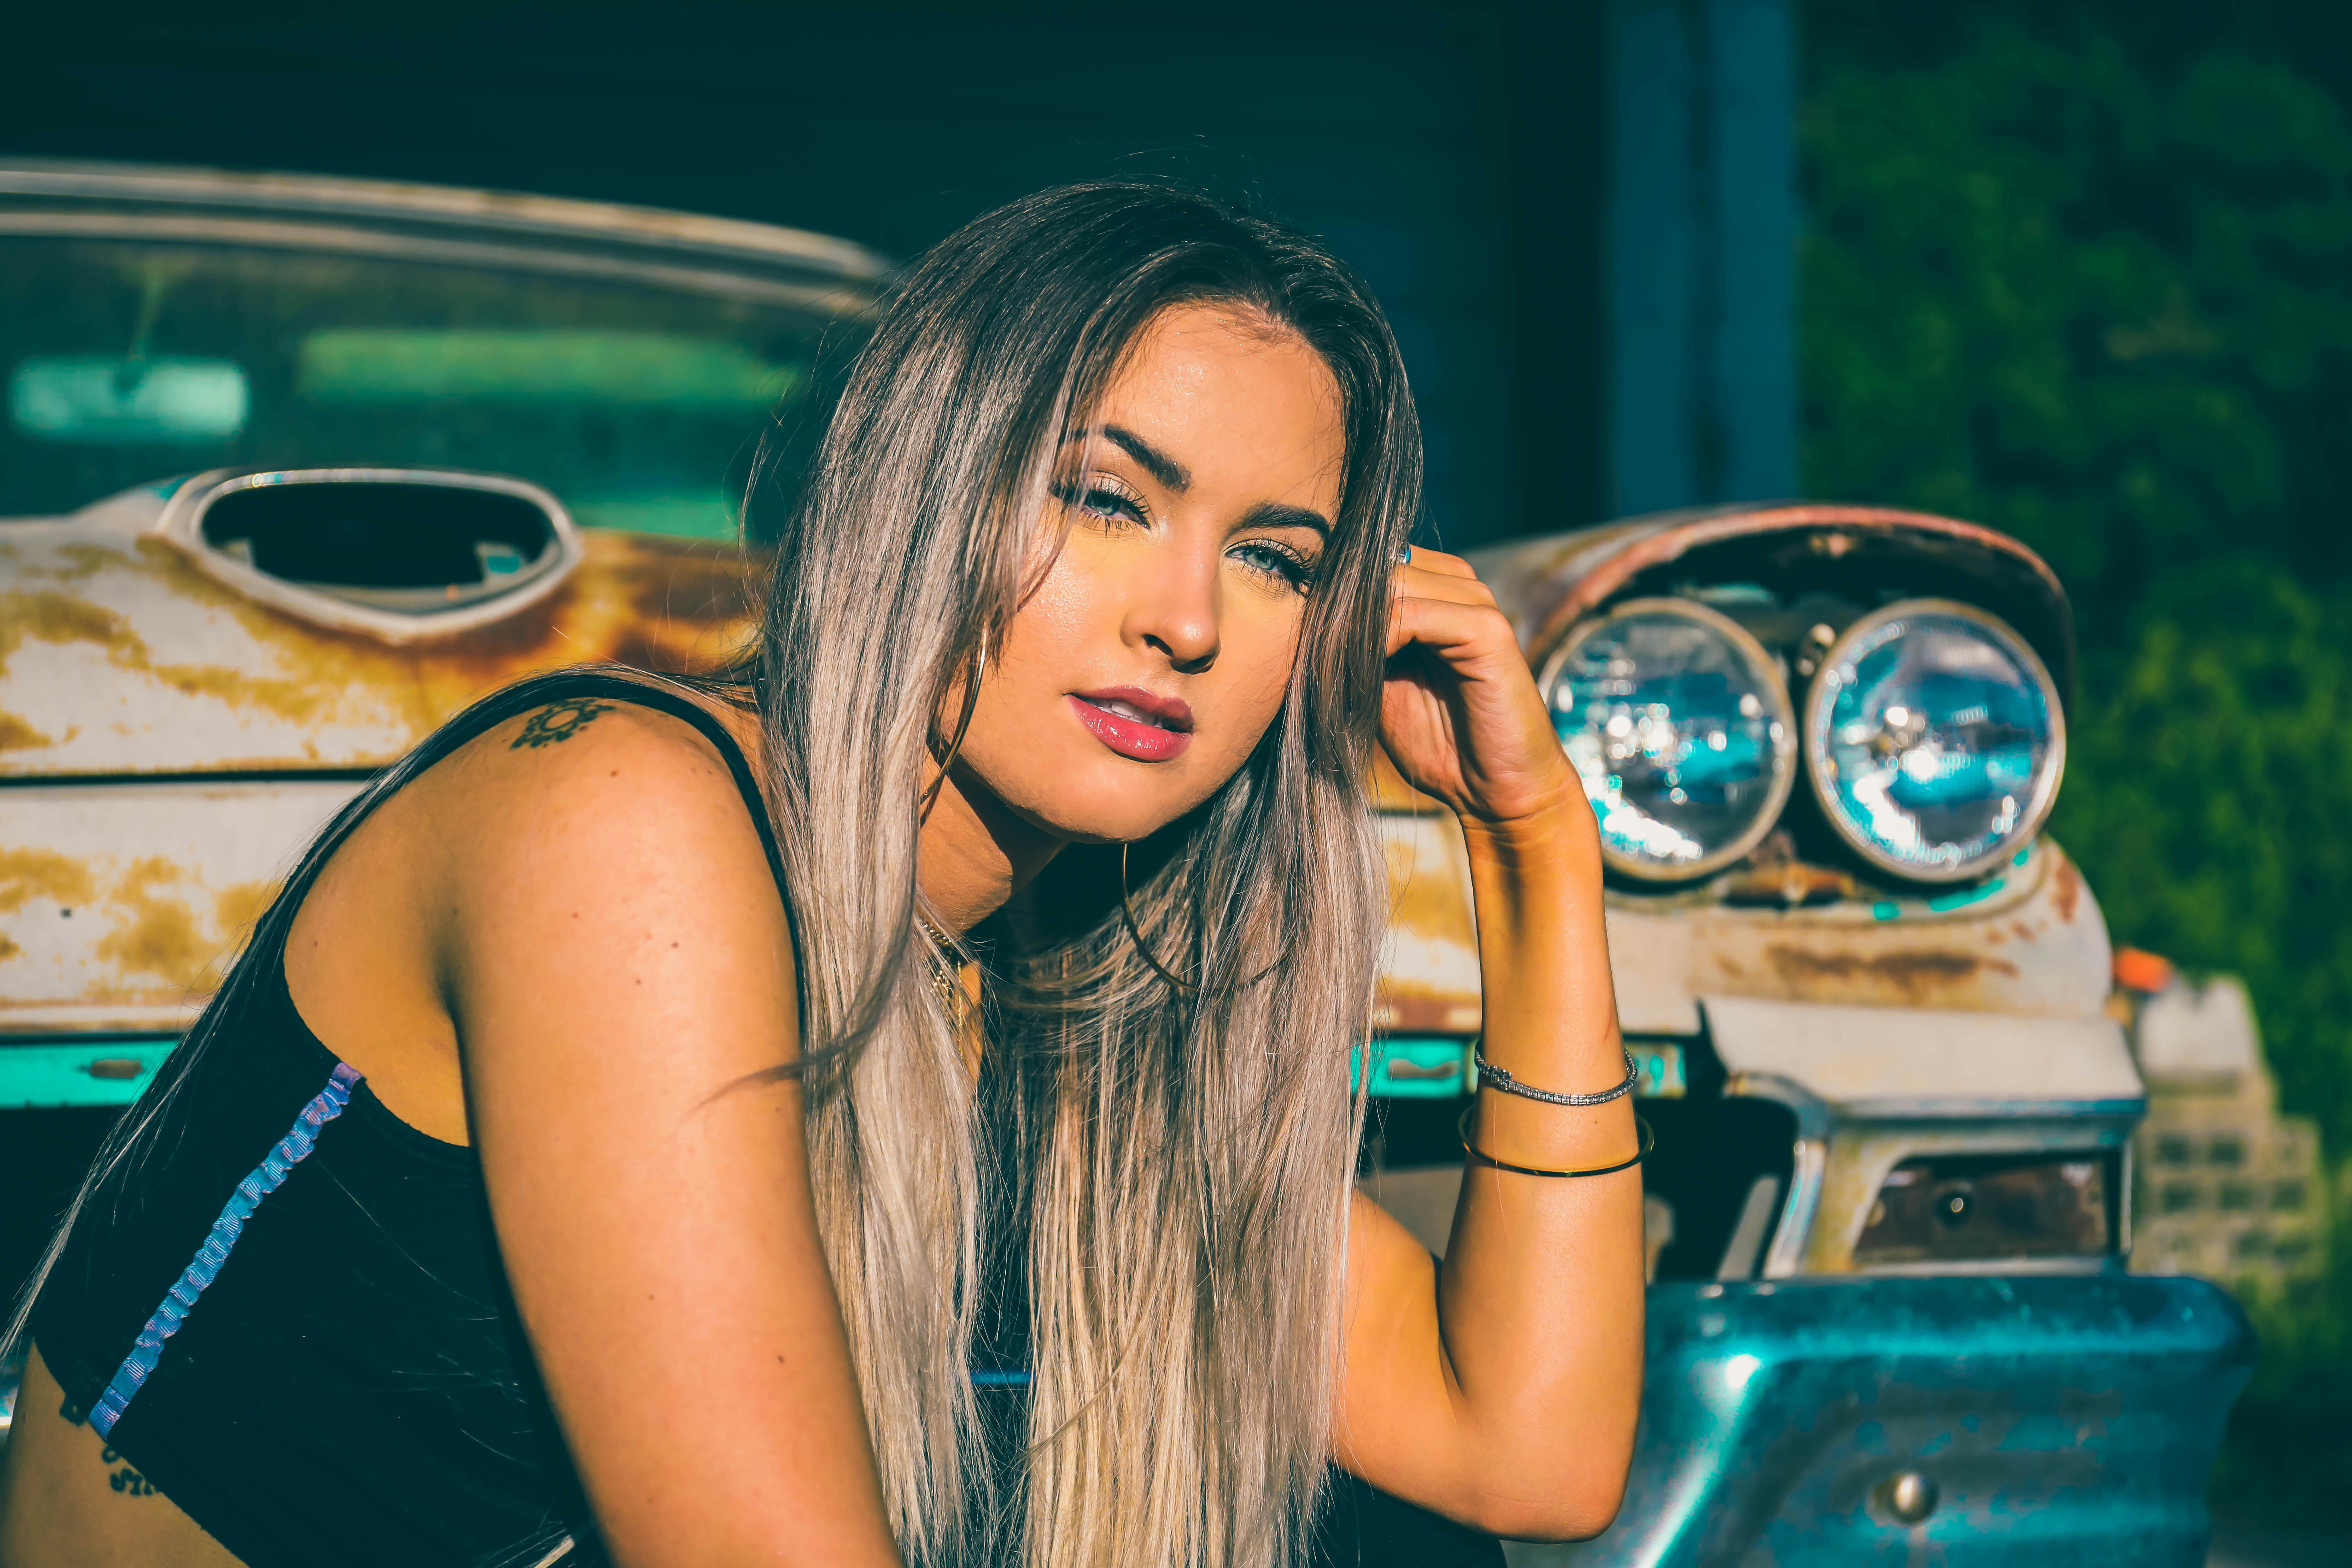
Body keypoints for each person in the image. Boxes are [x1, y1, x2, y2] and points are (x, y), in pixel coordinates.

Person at [0, 182, 1643, 1568]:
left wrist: (1532, 846)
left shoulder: (1058, 974)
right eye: (1102, 496)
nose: (1189, 618)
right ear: (919, 485)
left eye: (1274, 554)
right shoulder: (618, 810)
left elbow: (1528, 1450)